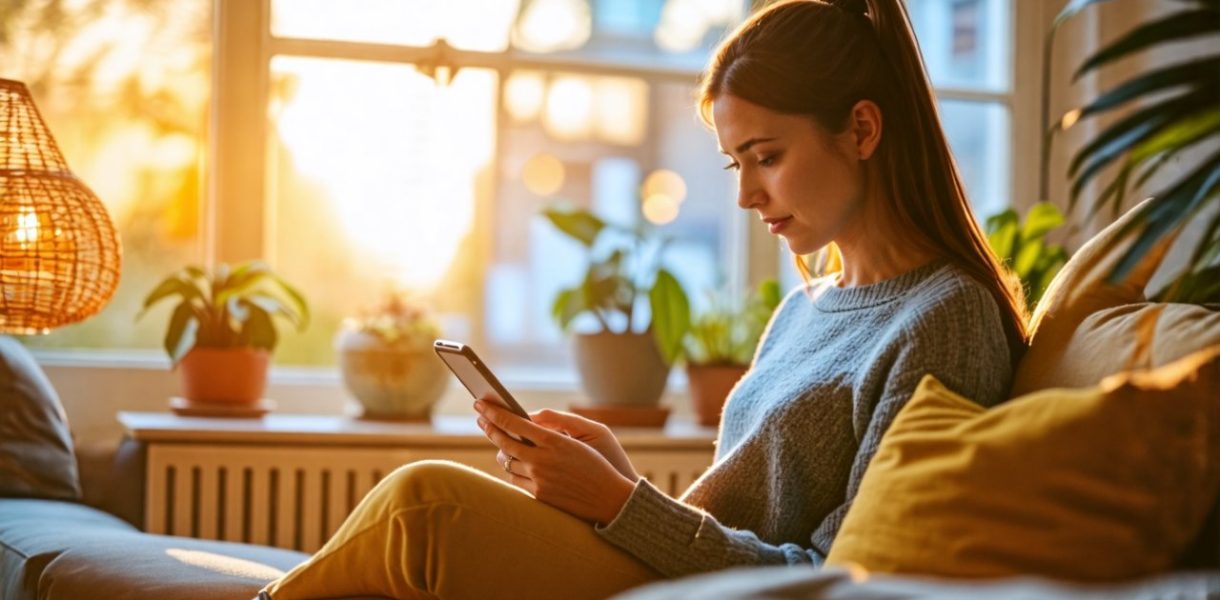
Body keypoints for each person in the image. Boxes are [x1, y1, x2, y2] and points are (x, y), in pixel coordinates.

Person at [258, 0, 1028, 598]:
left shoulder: (947, 320)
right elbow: (721, 521)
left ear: (861, 129)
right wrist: (613, 477)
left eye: (767, 156)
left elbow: (840, 573)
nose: (748, 195)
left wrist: (620, 503)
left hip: (727, 593)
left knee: (425, 505)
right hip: (683, 578)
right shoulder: (805, 308)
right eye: (735, 165)